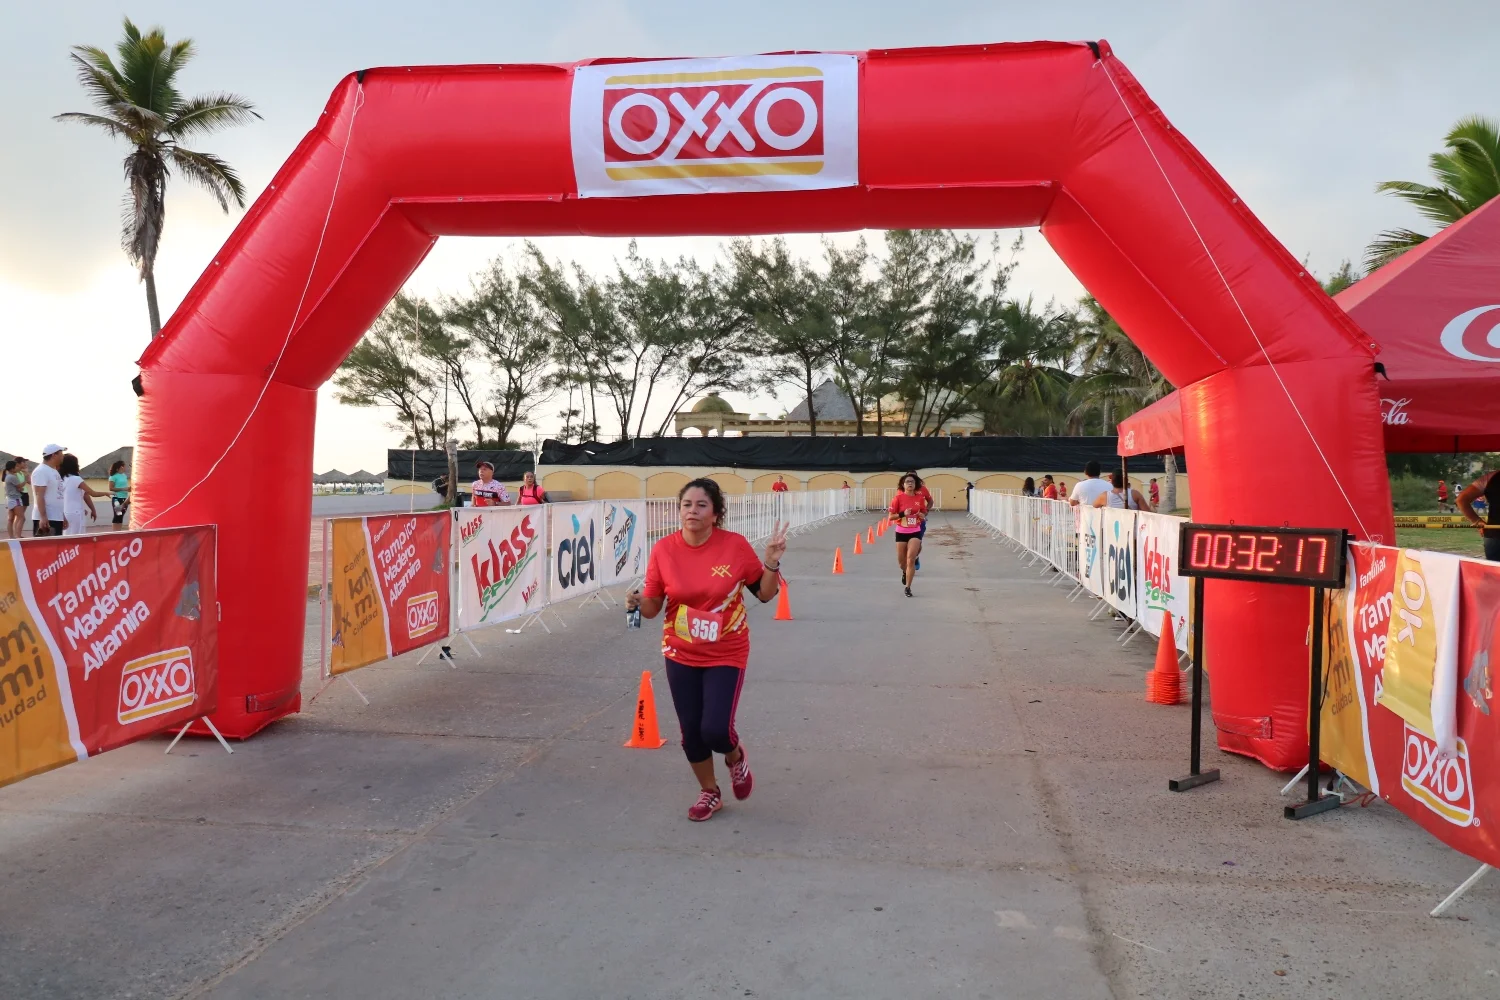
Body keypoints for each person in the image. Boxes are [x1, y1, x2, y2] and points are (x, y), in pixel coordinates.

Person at [624, 479, 787, 822]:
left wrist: (771, 563)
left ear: (715, 513)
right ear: (679, 510)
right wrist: (638, 602)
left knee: (715, 729)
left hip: (726, 650)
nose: (692, 511)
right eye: (687, 504)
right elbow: (653, 608)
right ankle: (710, 792)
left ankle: (735, 756)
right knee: (691, 733)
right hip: (680, 651)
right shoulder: (664, 550)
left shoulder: (734, 546)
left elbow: (765, 594)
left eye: (701, 505)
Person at [889, 472, 928, 597]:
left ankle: (908, 587)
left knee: (910, 559)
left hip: (915, 530)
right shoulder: (897, 498)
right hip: (901, 531)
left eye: (912, 481)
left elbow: (923, 512)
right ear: (903, 484)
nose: (910, 483)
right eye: (907, 481)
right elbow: (891, 517)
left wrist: (922, 515)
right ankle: (905, 572)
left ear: (915, 484)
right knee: (902, 563)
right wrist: (903, 514)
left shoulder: (919, 498)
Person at [60, 453, 106, 536]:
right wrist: (106, 493)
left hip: (66, 513)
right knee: (78, 537)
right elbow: (92, 493)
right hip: (76, 513)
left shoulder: (62, 479)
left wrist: (92, 510)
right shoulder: (76, 479)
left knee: (67, 536)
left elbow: (85, 495)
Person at [1458, 471, 1499, 562]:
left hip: (1495, 535)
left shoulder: (1490, 477)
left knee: (1495, 570)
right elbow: (1461, 500)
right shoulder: (1490, 478)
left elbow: (1461, 500)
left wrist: (1476, 521)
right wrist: (1477, 521)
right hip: (1495, 536)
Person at [30, 445, 68, 536]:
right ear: (54, 455)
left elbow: (56, 494)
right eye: (61, 454)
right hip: (47, 519)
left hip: (56, 517)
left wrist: (62, 516)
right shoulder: (41, 471)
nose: (62, 456)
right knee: (45, 545)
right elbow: (39, 495)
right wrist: (43, 517)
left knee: (57, 545)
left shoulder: (54, 471)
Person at [108, 460, 130, 530]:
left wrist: (128, 489)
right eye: (124, 466)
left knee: (121, 515)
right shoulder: (113, 476)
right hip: (117, 498)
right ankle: (115, 532)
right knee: (117, 515)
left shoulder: (124, 475)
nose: (125, 467)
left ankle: (119, 531)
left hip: (124, 498)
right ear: (121, 467)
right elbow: (111, 488)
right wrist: (124, 489)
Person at [3, 461, 23, 539]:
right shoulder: (12, 477)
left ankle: (12, 537)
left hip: (9, 499)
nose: (17, 468)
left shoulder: (7, 476)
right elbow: (20, 486)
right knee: (21, 517)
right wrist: (25, 479)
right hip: (15, 499)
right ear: (12, 468)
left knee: (10, 519)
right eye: (16, 466)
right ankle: (18, 536)